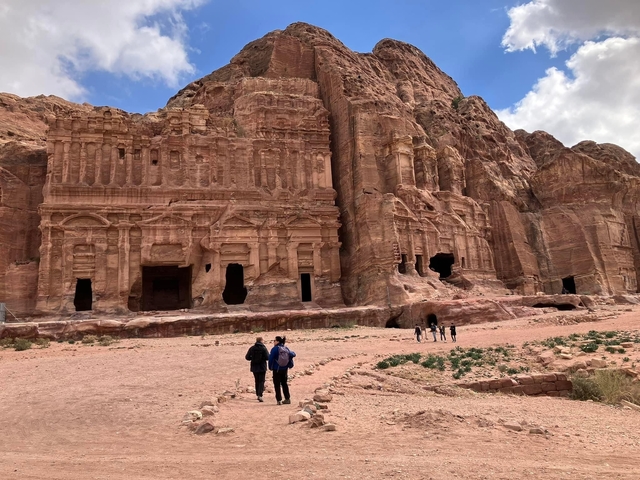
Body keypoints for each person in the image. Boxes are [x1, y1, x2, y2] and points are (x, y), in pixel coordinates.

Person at [268, 335, 296, 405]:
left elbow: (270, 359)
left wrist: (270, 367)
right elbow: (293, 354)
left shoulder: (274, 349)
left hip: (276, 369)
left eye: (274, 341)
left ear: (277, 341)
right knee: (284, 384)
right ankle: (287, 398)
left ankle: (279, 400)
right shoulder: (285, 348)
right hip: (285, 369)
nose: (273, 342)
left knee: (277, 385)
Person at [245, 336, 270, 402]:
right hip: (262, 366)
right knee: (262, 381)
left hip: (254, 367)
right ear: (261, 340)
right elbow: (268, 357)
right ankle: (260, 395)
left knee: (257, 380)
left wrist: (252, 358)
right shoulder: (263, 348)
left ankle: (257, 394)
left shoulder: (252, 348)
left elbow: (247, 357)